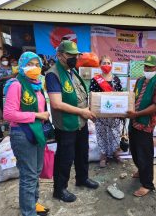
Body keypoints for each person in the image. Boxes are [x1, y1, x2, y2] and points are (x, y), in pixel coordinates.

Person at [45, 40, 98, 203]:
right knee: (65, 157)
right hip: (66, 125)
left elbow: (81, 96)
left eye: (76, 55)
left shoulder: (72, 71)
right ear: (60, 55)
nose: (74, 58)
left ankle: (82, 178)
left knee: (82, 153)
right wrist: (82, 111)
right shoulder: (53, 74)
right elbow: (56, 103)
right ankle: (59, 189)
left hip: (80, 122)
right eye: (70, 55)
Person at [3, 52, 50, 216]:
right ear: (22, 65)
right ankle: (28, 212)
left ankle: (33, 203)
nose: (35, 68)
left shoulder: (37, 84)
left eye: (37, 64)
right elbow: (8, 114)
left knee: (35, 172)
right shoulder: (16, 84)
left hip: (36, 132)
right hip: (22, 134)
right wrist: (37, 115)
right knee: (28, 175)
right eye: (30, 64)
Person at [126, 55, 156, 197]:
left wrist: (137, 114)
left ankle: (147, 184)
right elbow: (135, 98)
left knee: (145, 154)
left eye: (150, 66)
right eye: (145, 66)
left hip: (146, 124)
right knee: (134, 150)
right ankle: (140, 169)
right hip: (134, 121)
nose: (147, 69)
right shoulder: (140, 80)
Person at [90, 55, 123, 168]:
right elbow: (92, 97)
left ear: (112, 65)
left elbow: (121, 96)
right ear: (100, 65)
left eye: (108, 63)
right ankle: (103, 154)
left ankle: (115, 152)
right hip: (101, 113)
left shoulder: (116, 79)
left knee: (115, 133)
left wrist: (121, 111)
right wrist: (93, 113)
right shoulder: (95, 80)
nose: (106, 65)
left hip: (114, 113)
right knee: (101, 133)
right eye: (104, 63)